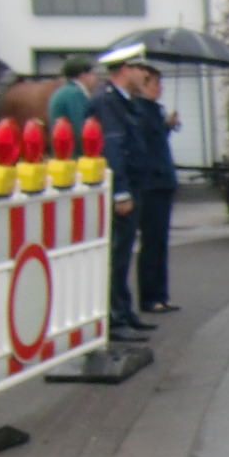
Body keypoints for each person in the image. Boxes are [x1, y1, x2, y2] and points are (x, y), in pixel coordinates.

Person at [89, 51, 154, 344]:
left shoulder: (125, 101)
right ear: (126, 69)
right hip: (122, 187)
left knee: (124, 252)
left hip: (134, 183)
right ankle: (114, 318)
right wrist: (120, 191)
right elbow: (112, 148)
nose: (146, 75)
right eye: (141, 68)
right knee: (116, 256)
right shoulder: (108, 102)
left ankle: (125, 311)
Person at [133, 64, 180, 314]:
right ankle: (150, 297)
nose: (159, 88)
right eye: (155, 84)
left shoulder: (153, 110)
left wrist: (167, 126)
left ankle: (161, 294)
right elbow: (145, 147)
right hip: (152, 184)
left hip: (162, 181)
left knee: (160, 241)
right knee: (152, 241)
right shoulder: (140, 111)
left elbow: (156, 140)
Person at [47, 54, 98, 137]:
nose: (95, 78)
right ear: (83, 75)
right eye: (92, 73)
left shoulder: (64, 91)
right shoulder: (74, 94)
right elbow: (79, 126)